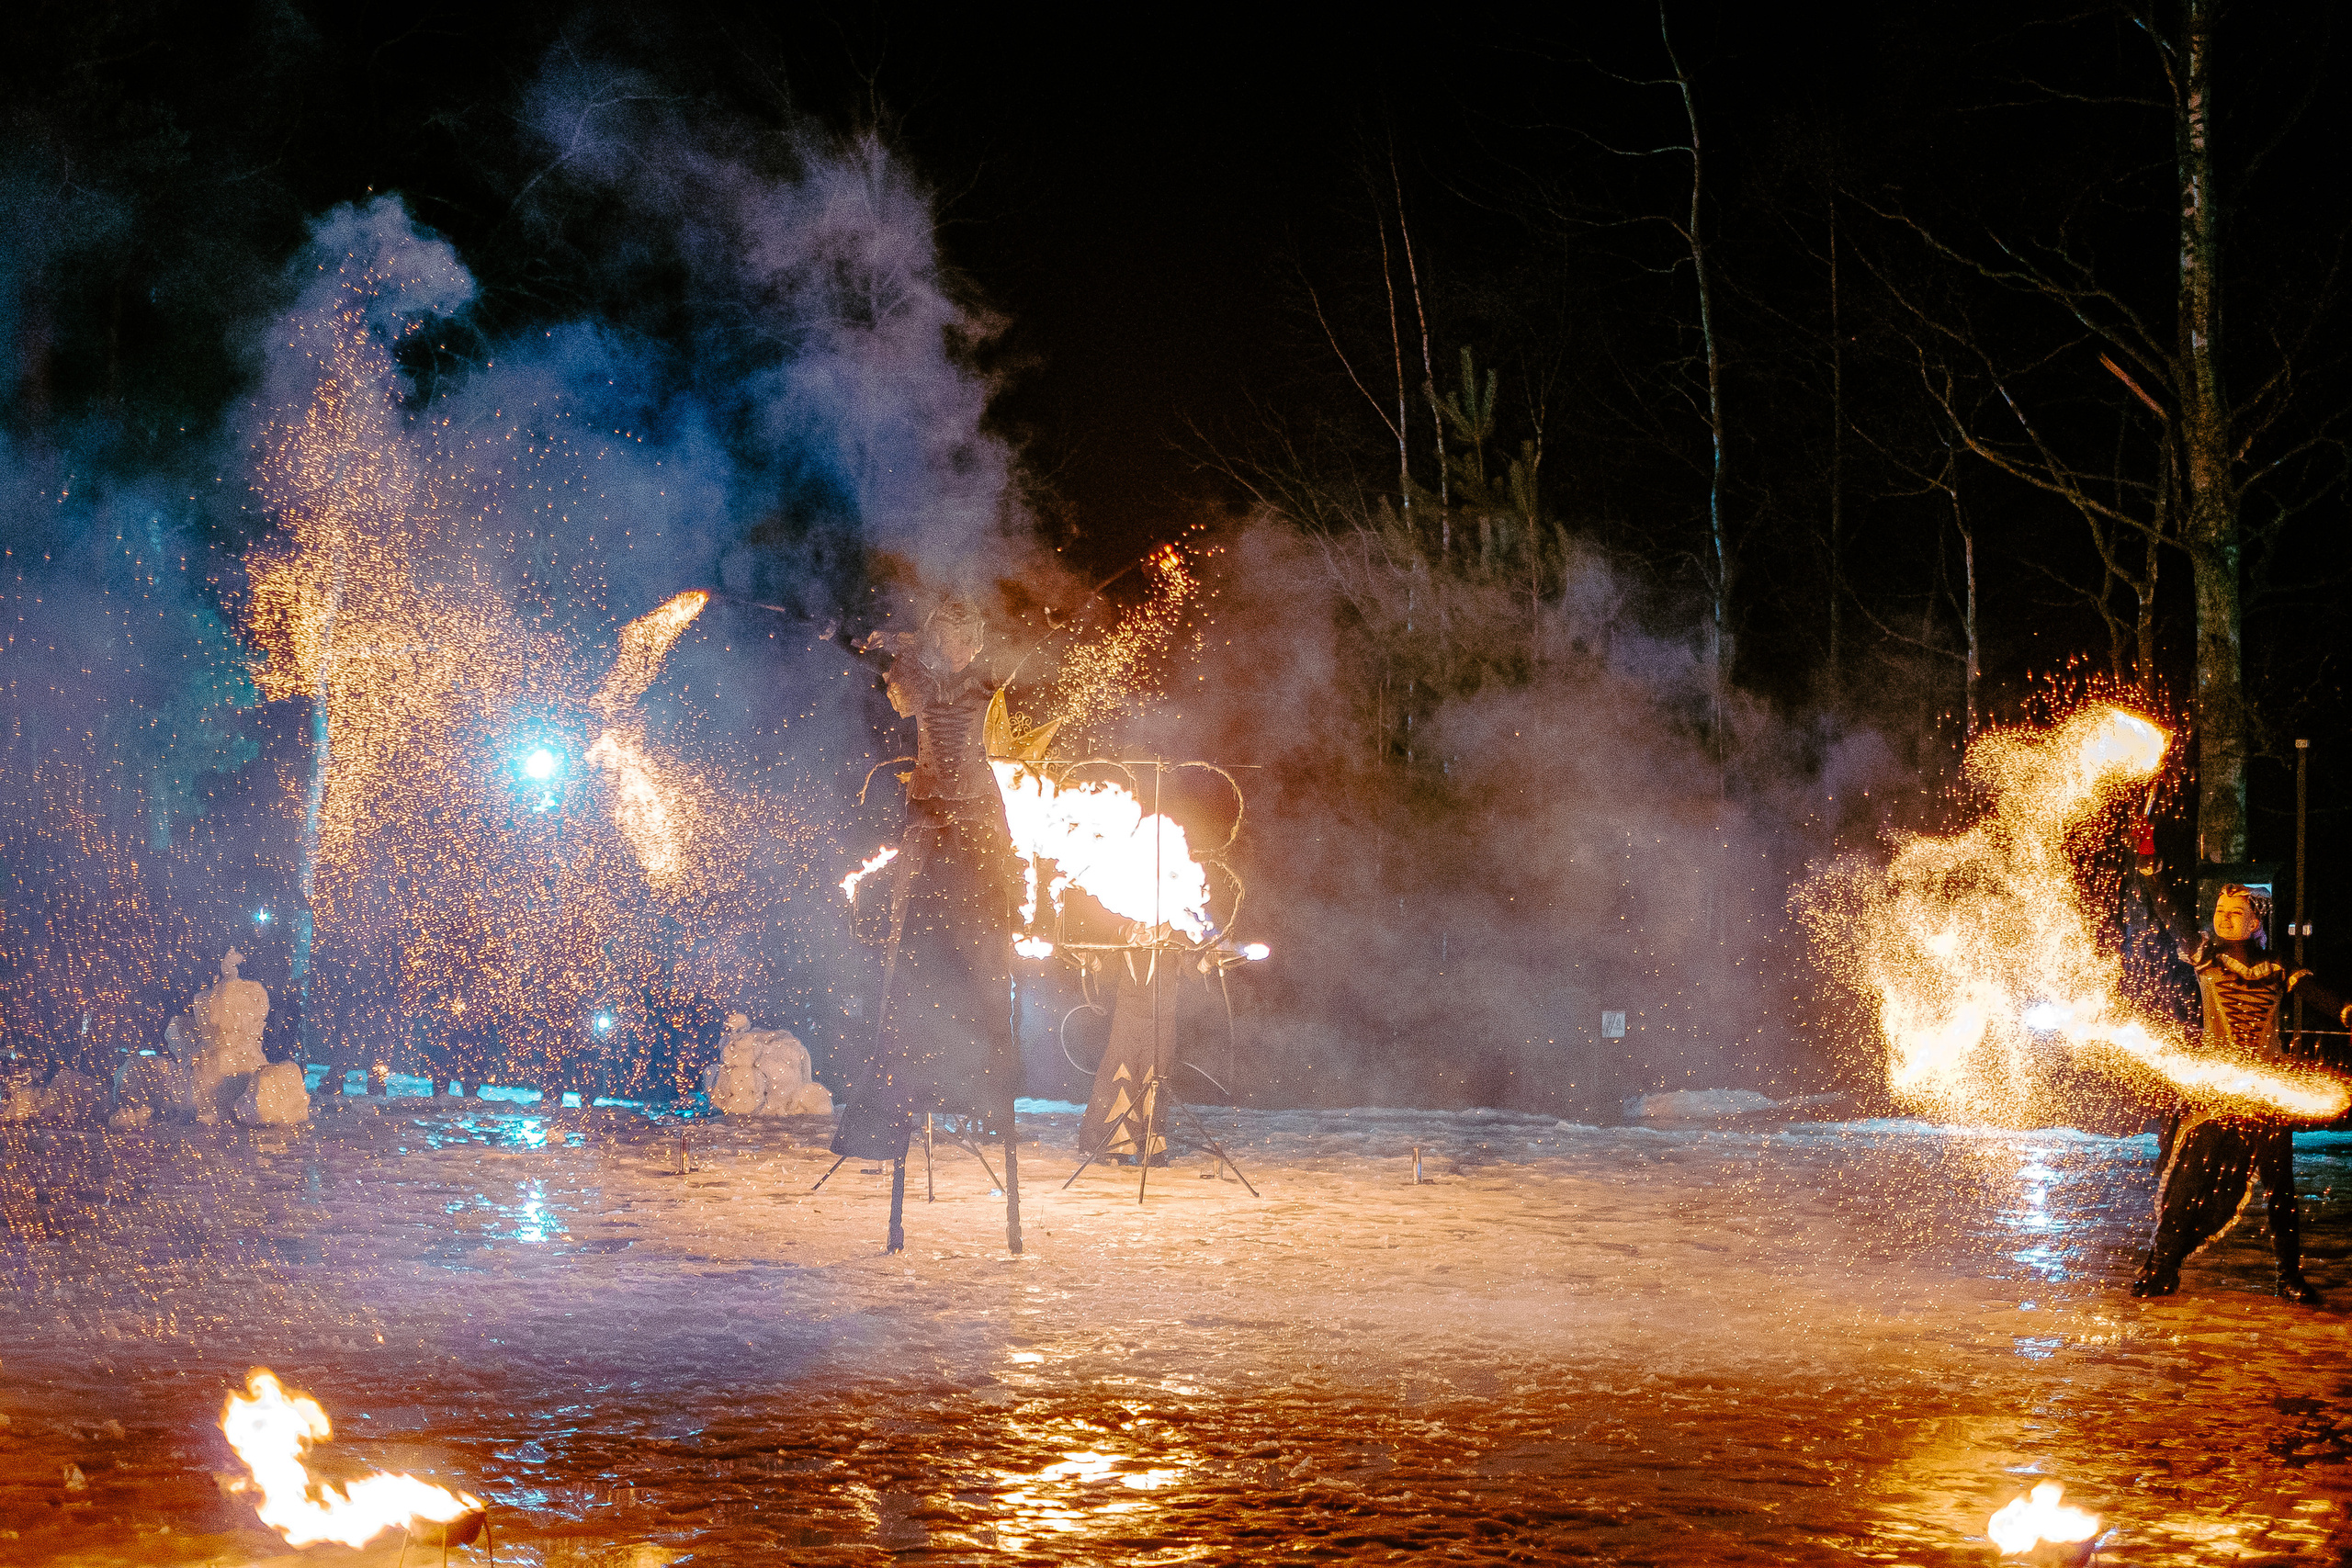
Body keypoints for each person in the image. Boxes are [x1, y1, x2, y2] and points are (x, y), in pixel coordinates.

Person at [832, 600, 1024, 1250]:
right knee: (909, 966)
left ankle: (988, 1081)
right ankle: (893, 1100)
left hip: (980, 825)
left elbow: (1017, 654)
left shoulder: (984, 676)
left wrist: (903, 641)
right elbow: (895, 682)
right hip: (930, 820)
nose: (961, 648)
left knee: (985, 960)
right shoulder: (918, 672)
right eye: (951, 637)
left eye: (968, 637)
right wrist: (879, 645)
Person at [2127, 828, 2352, 1303]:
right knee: (2191, 1179)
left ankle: (2289, 1276)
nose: (2225, 919)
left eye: (2236, 913)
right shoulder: (2206, 958)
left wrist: (2348, 1013)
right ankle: (2163, 1265)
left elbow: (2321, 998)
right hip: (2218, 1090)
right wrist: (2149, 862)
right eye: (2220, 912)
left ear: (2255, 921)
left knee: (2281, 1187)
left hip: (2267, 1091)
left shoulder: (2278, 968)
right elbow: (2169, 913)